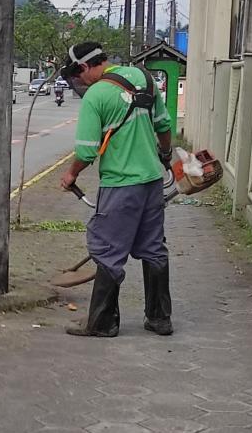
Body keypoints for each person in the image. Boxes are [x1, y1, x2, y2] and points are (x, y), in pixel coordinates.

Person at [58, 41, 174, 338]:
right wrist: (164, 156)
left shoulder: (96, 95)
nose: (79, 80)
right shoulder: (144, 78)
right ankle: (160, 319)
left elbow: (86, 152)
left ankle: (103, 322)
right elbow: (163, 125)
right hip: (151, 181)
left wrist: (70, 175)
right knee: (153, 248)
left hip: (120, 184)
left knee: (108, 250)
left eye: (77, 74)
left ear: (85, 67)